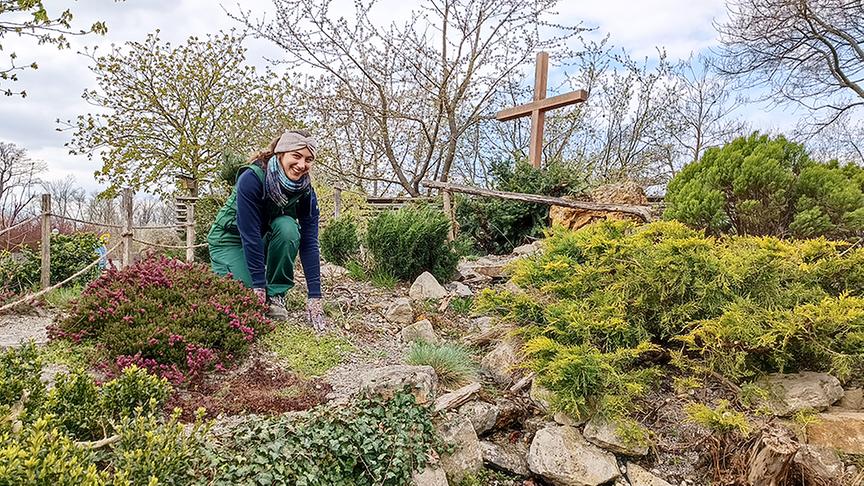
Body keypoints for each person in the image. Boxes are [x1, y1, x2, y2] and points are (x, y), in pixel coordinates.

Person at [207, 130, 328, 331]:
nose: (301, 165)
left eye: (308, 159)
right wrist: (257, 287)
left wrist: (315, 296)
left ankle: (276, 294)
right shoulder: (252, 178)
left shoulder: (306, 191)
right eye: (296, 156)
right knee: (245, 301)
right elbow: (250, 234)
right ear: (281, 153)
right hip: (230, 239)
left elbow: (309, 243)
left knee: (287, 227)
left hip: (264, 237)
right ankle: (243, 279)